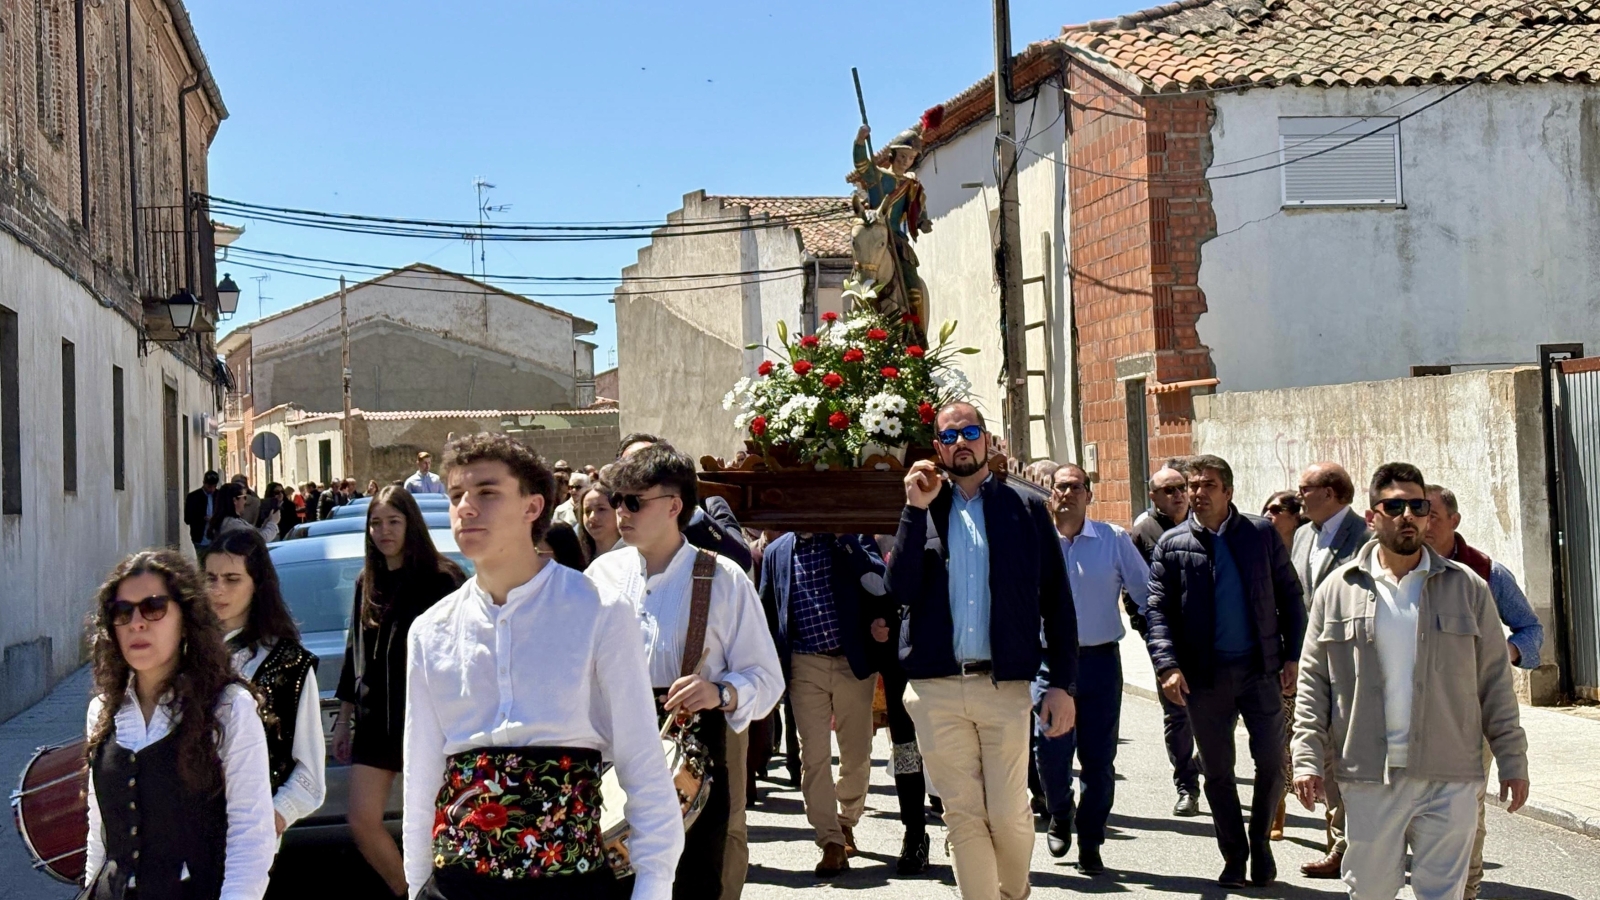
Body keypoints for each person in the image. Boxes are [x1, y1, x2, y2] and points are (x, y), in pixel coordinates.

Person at [405, 433, 682, 899]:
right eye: (456, 496)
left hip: (569, 883)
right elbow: (421, 771)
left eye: (487, 493)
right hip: (456, 884)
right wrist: (415, 885)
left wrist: (653, 885)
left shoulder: (599, 611)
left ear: (533, 507)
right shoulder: (430, 630)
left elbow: (642, 762)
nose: (466, 508)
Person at [1293, 463, 1530, 900]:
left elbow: (1495, 682)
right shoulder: (1337, 590)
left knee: (1444, 894)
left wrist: (1512, 760)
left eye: (1418, 506)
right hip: (1368, 775)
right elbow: (1313, 684)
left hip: (1451, 774)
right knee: (1371, 892)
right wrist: (1305, 756)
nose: (1408, 515)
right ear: (1372, 516)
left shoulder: (1469, 588)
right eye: (1395, 505)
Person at [890, 402, 1078, 900]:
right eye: (949, 436)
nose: (960, 442)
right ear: (937, 449)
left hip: (1004, 684)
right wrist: (912, 508)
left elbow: (1057, 602)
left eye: (969, 432)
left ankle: (1015, 892)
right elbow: (902, 588)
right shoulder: (923, 508)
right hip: (935, 688)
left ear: (987, 440)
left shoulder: (1026, 508)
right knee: (963, 815)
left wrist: (1061, 683)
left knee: (1009, 812)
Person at [586, 443, 783, 900]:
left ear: (674, 506)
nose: (621, 511)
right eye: (617, 500)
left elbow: (767, 678)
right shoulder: (600, 576)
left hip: (695, 755)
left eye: (634, 501)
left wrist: (721, 692)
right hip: (611, 752)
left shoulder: (724, 577)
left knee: (693, 883)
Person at [1145, 454, 1304, 888]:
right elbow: (1157, 610)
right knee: (1216, 771)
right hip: (1204, 676)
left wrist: (1292, 656)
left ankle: (1261, 844)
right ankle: (1234, 854)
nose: (1197, 493)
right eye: (1193, 485)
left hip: (1260, 670)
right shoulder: (1172, 545)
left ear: (1228, 491)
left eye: (1207, 485)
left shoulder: (1260, 534)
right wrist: (1168, 665)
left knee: (1272, 762)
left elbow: (1291, 596)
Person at [82, 549, 276, 900]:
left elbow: (252, 838)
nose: (136, 623)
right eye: (123, 612)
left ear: (185, 618)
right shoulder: (103, 711)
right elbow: (100, 836)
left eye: (153, 608)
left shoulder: (228, 707)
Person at [332, 485, 465, 897]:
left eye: (393, 521)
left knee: (435, 821)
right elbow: (357, 652)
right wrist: (344, 718)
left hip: (428, 721)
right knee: (362, 820)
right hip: (376, 722)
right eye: (376, 523)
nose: (384, 531)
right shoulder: (364, 581)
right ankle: (409, 891)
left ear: (411, 524)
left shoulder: (442, 579)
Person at [1422, 483, 1545, 900]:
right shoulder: (1396, 569)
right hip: (1410, 713)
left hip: (1473, 711)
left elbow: (1532, 629)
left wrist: (1504, 651)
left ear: (1455, 521)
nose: (1422, 523)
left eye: (1432, 515)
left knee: (1465, 806)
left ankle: (1466, 888)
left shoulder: (1488, 573)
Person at [1034, 463, 1149, 874]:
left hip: (1099, 661)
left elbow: (1146, 593)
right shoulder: (1035, 541)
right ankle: (1060, 811)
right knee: (1049, 751)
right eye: (1058, 487)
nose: (1066, 493)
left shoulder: (1113, 540)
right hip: (1048, 664)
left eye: (1074, 487)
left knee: (1099, 759)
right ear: (1048, 494)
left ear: (1089, 494)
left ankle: (1092, 839)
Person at [758, 532, 890, 877]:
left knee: (857, 752)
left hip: (852, 662)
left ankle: (846, 819)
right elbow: (768, 611)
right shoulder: (777, 552)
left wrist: (845, 541)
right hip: (804, 663)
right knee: (813, 755)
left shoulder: (850, 538)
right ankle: (829, 839)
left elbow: (878, 582)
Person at [203, 528, 326, 840]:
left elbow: (309, 774)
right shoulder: (181, 655)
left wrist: (270, 819)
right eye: (211, 578)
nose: (218, 590)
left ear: (257, 585)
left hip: (248, 843)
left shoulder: (289, 665)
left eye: (232, 579)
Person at [1290, 461, 1373, 877]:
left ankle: (1354, 844)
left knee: (1349, 757)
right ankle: (1340, 841)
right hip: (1312, 657)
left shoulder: (1366, 536)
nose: (1297, 494)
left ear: (1332, 492)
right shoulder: (1304, 534)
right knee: (1324, 756)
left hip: (1352, 662)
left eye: (1305, 487)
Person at [1260, 489, 1305, 841]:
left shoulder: (1309, 553)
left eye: (1277, 510)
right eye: (1266, 509)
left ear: (1295, 517)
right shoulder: (1261, 553)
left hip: (1311, 655)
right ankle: (1278, 807)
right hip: (1277, 660)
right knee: (1281, 737)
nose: (1269, 515)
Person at [207, 482, 280, 544]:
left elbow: (254, 533)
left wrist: (267, 522)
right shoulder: (233, 524)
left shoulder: (231, 522)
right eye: (244, 497)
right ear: (235, 500)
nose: (245, 501)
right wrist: (273, 523)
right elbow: (258, 539)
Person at [579, 481, 624, 559]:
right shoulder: (575, 559)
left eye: (601, 509)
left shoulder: (636, 557)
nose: (592, 517)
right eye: (587, 511)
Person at [185, 470, 221, 550]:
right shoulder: (193, 497)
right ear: (204, 483)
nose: (211, 489)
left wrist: (214, 519)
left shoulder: (220, 496)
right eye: (209, 486)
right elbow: (187, 519)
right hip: (200, 538)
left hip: (216, 538)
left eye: (214, 486)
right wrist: (202, 518)